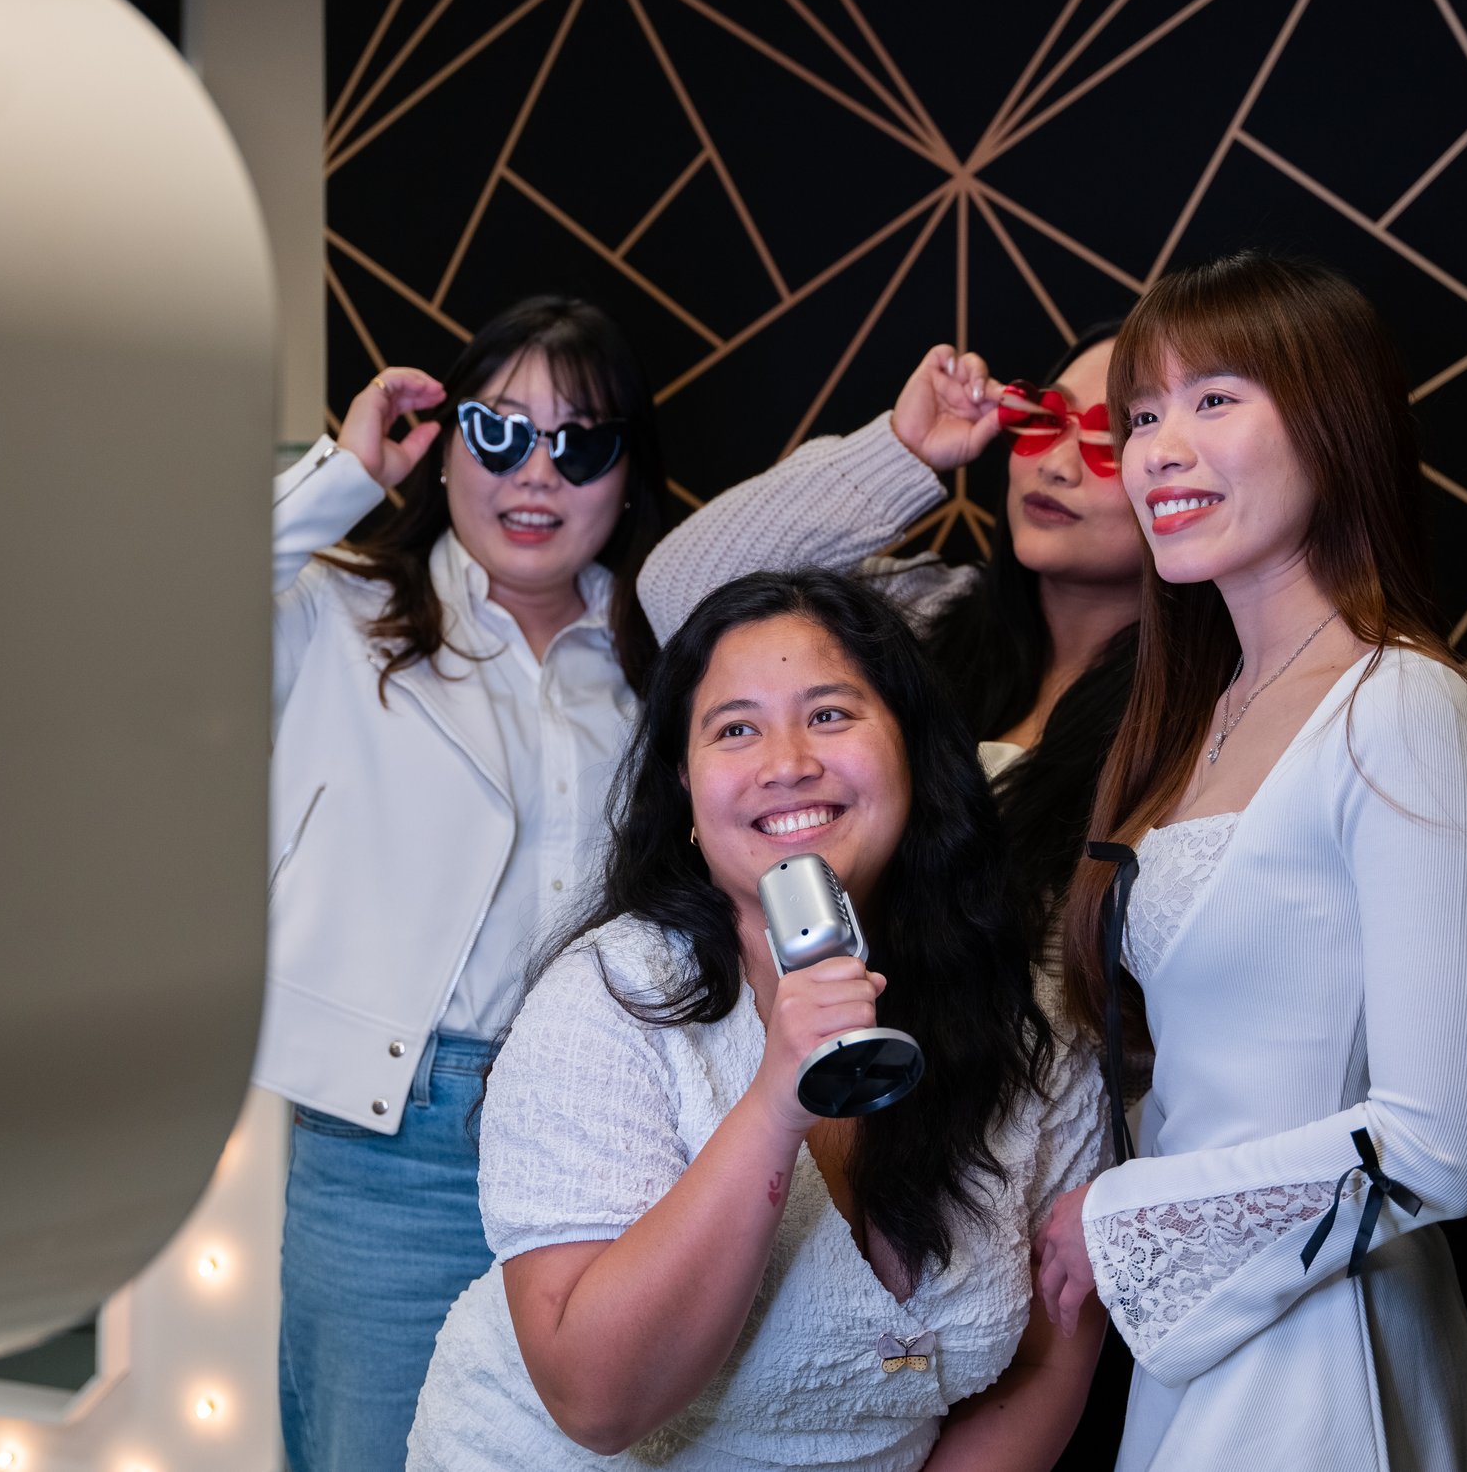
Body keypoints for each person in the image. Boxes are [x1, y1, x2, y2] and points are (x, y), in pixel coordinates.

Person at [407, 569, 1107, 1471]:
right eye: (735, 728)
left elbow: (1050, 1356)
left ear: (916, 756)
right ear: (689, 795)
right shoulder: (609, 999)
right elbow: (596, 1401)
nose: (787, 762)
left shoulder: (1030, 1014)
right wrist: (777, 1104)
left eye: (829, 714)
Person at [1031, 251, 1467, 1470]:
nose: (1157, 447)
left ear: (1331, 422)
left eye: (1214, 399)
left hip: (1322, 1341)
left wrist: (1123, 1216)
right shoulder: (1195, 708)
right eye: (1141, 413)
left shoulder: (1396, 703)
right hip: (1206, 1336)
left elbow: (1435, 1143)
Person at [640, 326, 1148, 1468]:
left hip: (1015, 1155)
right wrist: (904, 451)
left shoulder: (1194, 718)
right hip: (800, 1095)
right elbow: (684, 594)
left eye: (1109, 438)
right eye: (1039, 421)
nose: (1054, 461)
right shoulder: (919, 622)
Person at [263, 294, 669, 1472]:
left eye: (581, 441)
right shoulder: (334, 611)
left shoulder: (663, 656)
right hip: (394, 1142)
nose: (537, 473)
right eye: (498, 434)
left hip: (615, 1133)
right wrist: (343, 471)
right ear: (443, 450)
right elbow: (157, 619)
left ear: (626, 472)